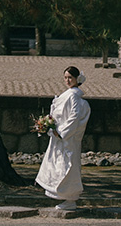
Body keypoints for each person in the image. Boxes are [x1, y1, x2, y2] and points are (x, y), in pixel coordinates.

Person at [34, 65, 91, 211]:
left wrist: (62, 132)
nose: (67, 80)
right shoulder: (70, 94)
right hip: (61, 136)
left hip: (67, 137)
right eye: (65, 78)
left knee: (67, 165)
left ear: (77, 79)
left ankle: (70, 198)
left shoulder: (73, 96)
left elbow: (74, 116)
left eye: (70, 78)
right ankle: (66, 197)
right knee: (60, 164)